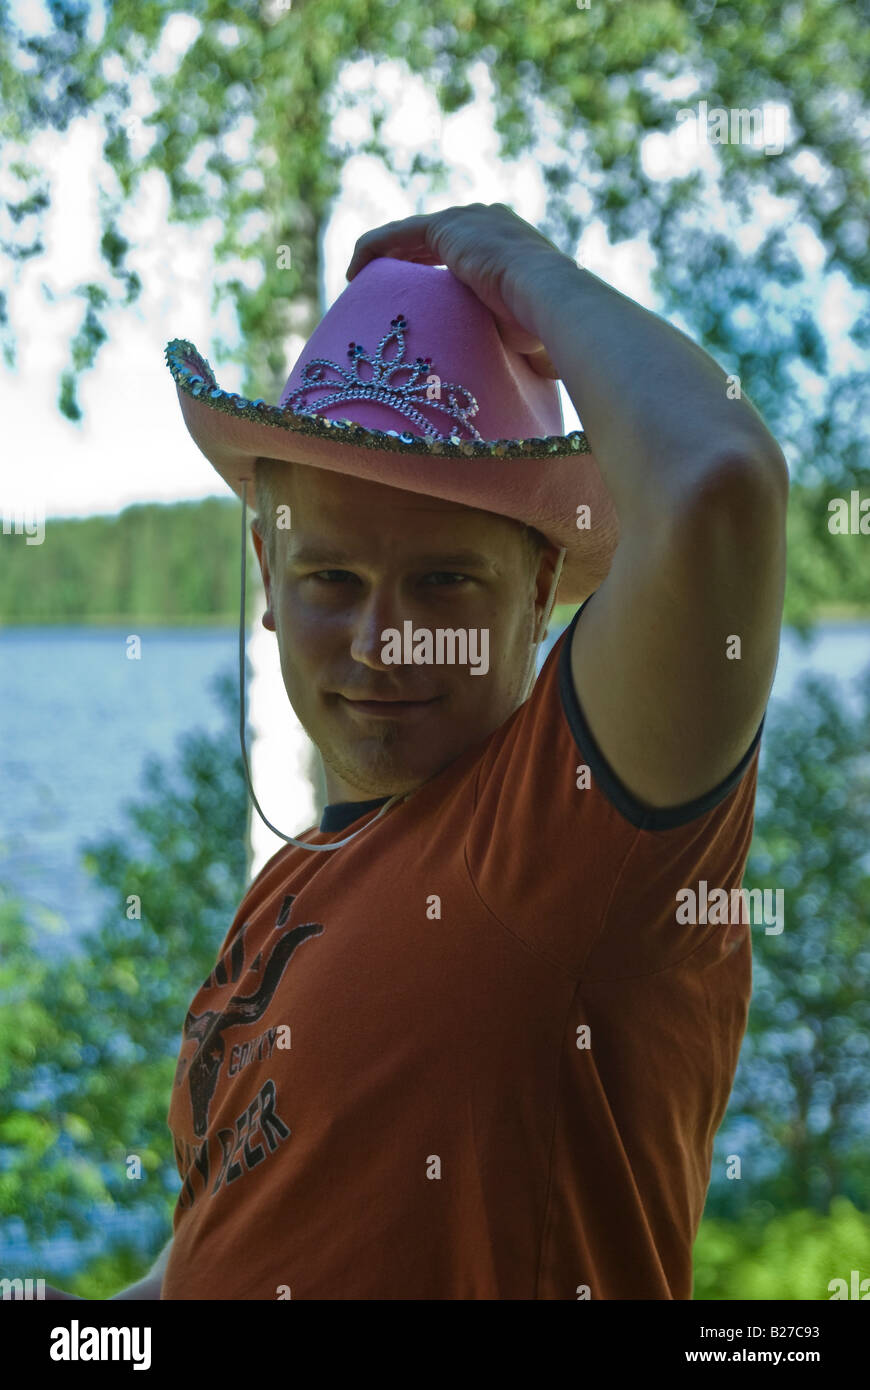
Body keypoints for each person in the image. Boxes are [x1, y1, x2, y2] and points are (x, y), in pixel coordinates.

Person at [50, 202, 789, 1300]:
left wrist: (522, 264)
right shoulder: (294, 884)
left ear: (539, 589)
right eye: (332, 582)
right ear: (267, 575)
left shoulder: (569, 831)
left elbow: (717, 486)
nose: (381, 641)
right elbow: (221, 1246)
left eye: (445, 580)